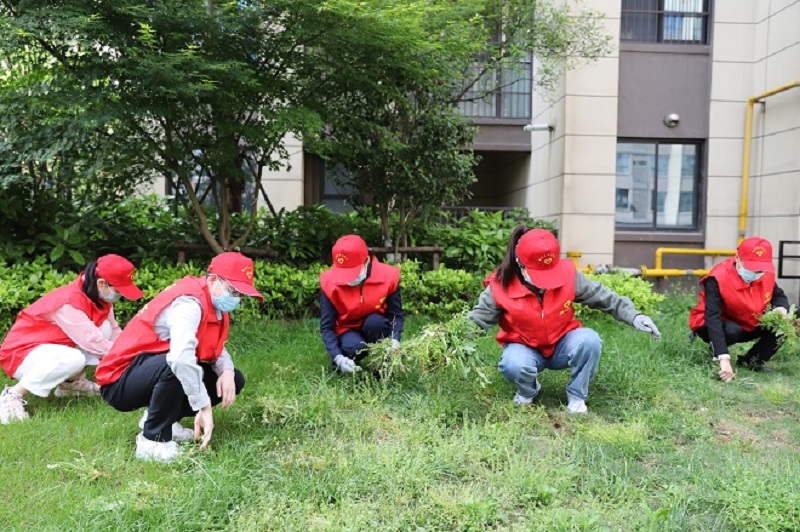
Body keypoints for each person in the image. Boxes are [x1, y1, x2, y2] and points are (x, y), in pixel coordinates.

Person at [468, 226, 661, 413]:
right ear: (520, 263)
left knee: (590, 340)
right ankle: (528, 391)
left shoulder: (568, 274)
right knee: (513, 364)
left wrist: (634, 316)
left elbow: (602, 296)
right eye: (539, 275)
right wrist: (455, 339)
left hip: (562, 343)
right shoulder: (499, 286)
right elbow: (478, 320)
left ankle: (577, 395)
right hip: (523, 346)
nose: (545, 283)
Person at [96, 252, 263, 463]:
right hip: (119, 380)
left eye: (241, 295)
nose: (237, 299)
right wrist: (203, 405)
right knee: (177, 365)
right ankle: (152, 441)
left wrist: (227, 371)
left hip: (149, 370)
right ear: (213, 280)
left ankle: (166, 420)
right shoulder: (189, 303)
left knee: (233, 379)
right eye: (233, 291)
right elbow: (180, 359)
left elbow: (214, 347)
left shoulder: (213, 304)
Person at [0, 255, 144, 424]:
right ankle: (11, 396)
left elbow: (113, 331)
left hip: (49, 347)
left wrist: (131, 351)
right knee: (74, 359)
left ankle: (70, 384)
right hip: (21, 355)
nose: (120, 295)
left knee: (104, 327)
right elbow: (93, 342)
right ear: (102, 283)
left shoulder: (98, 296)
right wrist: (130, 361)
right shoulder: (69, 302)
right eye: (119, 290)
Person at [689, 236, 789, 382]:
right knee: (731, 330)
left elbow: (778, 295)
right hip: (717, 324)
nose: (756, 272)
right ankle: (716, 348)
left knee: (786, 322)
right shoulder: (717, 278)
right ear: (738, 258)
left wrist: (781, 308)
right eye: (751, 266)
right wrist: (724, 358)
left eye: (760, 268)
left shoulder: (766, 273)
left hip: (749, 320)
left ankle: (753, 360)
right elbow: (712, 317)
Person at [319, 234, 404, 373]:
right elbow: (327, 327)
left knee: (375, 322)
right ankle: (347, 360)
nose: (348, 279)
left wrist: (395, 340)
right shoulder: (329, 283)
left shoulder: (389, 277)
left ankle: (381, 363)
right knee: (354, 347)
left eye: (352, 271)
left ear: (367, 260)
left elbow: (396, 316)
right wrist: (338, 358)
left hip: (376, 326)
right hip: (347, 329)